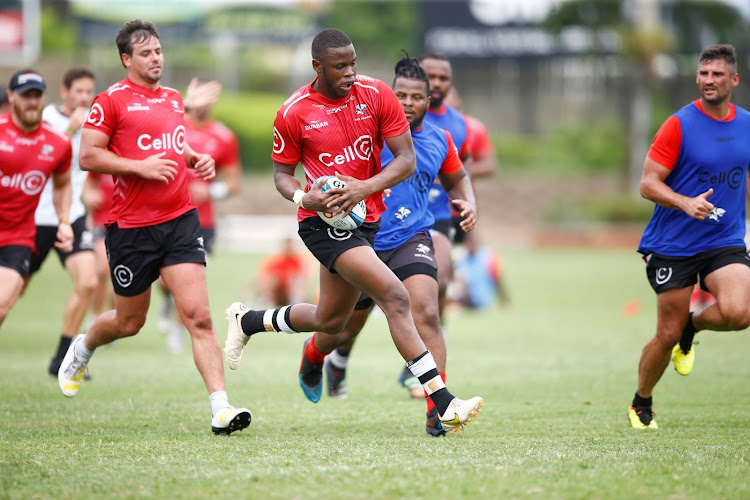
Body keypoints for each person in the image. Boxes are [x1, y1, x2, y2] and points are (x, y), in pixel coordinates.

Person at [223, 28, 483, 435]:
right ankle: (443, 403)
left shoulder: (376, 95)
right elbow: (280, 174)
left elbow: (405, 160)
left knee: (331, 321)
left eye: (353, 63)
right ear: (317, 67)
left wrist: (362, 188)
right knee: (396, 297)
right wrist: (303, 199)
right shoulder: (293, 111)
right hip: (323, 223)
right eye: (340, 66)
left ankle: (250, 321)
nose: (349, 72)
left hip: (368, 220)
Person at [57, 19, 250, 435]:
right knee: (129, 322)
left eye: (159, 51)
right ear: (127, 59)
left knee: (198, 316)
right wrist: (138, 168)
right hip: (131, 229)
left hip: (180, 220)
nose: (156, 58)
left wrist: (194, 157)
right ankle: (84, 345)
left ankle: (221, 408)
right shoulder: (110, 101)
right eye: (145, 53)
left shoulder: (173, 99)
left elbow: (169, 145)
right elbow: (89, 157)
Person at [308, 54, 478, 436]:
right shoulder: (366, 133)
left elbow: (459, 179)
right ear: (390, 94)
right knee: (340, 328)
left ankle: (439, 409)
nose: (408, 103)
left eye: (417, 96)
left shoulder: (440, 138)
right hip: (363, 242)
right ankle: (316, 354)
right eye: (400, 94)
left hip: (410, 237)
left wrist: (469, 201)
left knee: (426, 310)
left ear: (428, 98)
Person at [629, 44, 750, 429]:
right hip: (673, 245)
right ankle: (641, 402)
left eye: (717, 74)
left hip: (724, 238)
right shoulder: (678, 124)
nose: (708, 80)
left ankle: (692, 326)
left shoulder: (747, 124)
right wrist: (684, 203)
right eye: (703, 73)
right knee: (665, 334)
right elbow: (648, 184)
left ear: (734, 80)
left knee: (740, 312)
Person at [21, 67, 98, 375]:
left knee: (89, 282)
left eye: (88, 91)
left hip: (72, 216)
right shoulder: (46, 120)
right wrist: (69, 130)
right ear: (64, 92)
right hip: (37, 217)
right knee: (13, 290)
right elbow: (36, 161)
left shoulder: (93, 124)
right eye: (78, 91)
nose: (84, 97)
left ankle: (62, 357)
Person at [157, 78, 242, 352]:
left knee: (188, 279)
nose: (203, 105)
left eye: (209, 100)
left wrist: (212, 192)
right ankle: (168, 303)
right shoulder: (177, 127)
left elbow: (233, 183)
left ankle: (178, 329)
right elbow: (157, 126)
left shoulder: (224, 136)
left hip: (201, 221)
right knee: (163, 280)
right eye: (199, 100)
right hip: (167, 213)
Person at [0, 69, 73, 329]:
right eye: (25, 96)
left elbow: (63, 185)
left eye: (37, 95)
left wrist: (64, 220)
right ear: (11, 97)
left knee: (2, 305)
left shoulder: (59, 142)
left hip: (17, 237)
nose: (32, 102)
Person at [81, 171, 115, 319]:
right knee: (101, 270)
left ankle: (116, 317)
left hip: (128, 222)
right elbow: (89, 181)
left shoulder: (137, 153)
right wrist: (88, 195)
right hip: (102, 220)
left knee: (119, 273)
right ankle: (95, 316)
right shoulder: (103, 152)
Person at [453, 234, 510, 310]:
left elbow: (498, 280)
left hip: (481, 300)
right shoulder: (462, 257)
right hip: (464, 298)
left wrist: (505, 301)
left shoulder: (488, 257)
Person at [256, 236, 312, 308]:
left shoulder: (300, 260)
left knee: (296, 280)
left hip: (293, 292)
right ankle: (267, 301)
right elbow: (264, 278)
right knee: (272, 280)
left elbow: (304, 279)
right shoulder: (275, 260)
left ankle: (296, 304)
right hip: (278, 293)